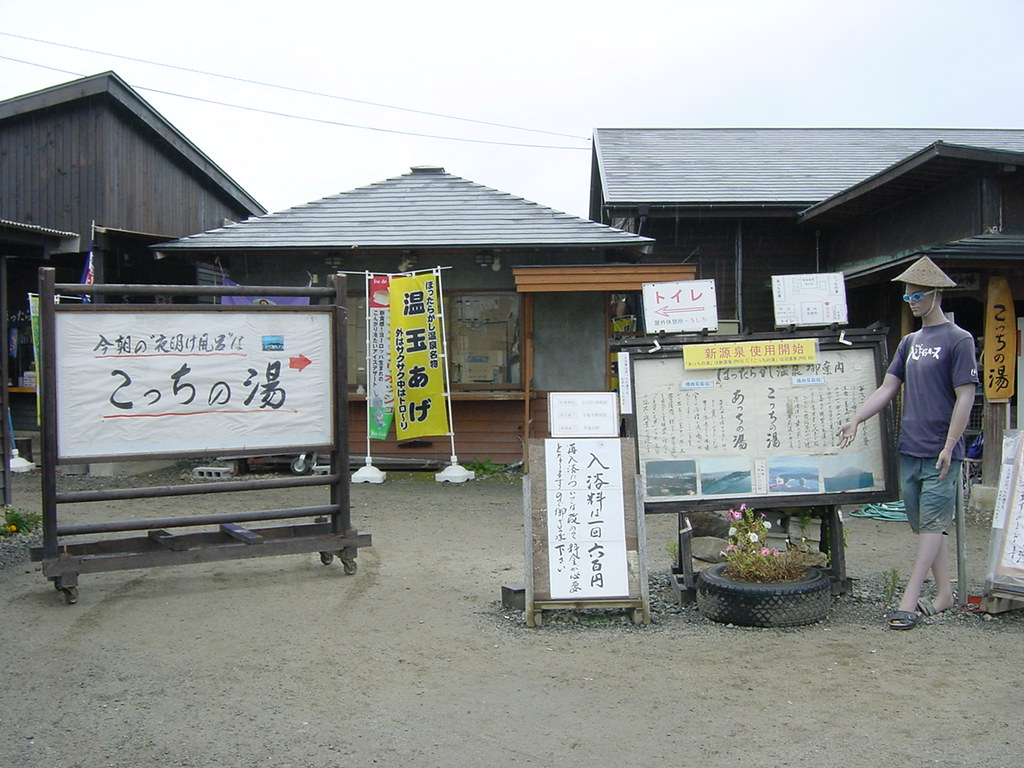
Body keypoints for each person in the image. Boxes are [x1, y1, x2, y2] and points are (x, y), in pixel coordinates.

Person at [837, 256, 977, 630]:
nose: (911, 303)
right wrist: (856, 418)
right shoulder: (910, 342)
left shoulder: (959, 340)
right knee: (925, 525)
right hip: (910, 446)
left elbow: (965, 396)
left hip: (940, 450)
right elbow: (888, 387)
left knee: (932, 523)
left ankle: (909, 600)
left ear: (934, 295)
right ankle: (944, 594)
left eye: (916, 297)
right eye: (907, 298)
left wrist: (950, 445)